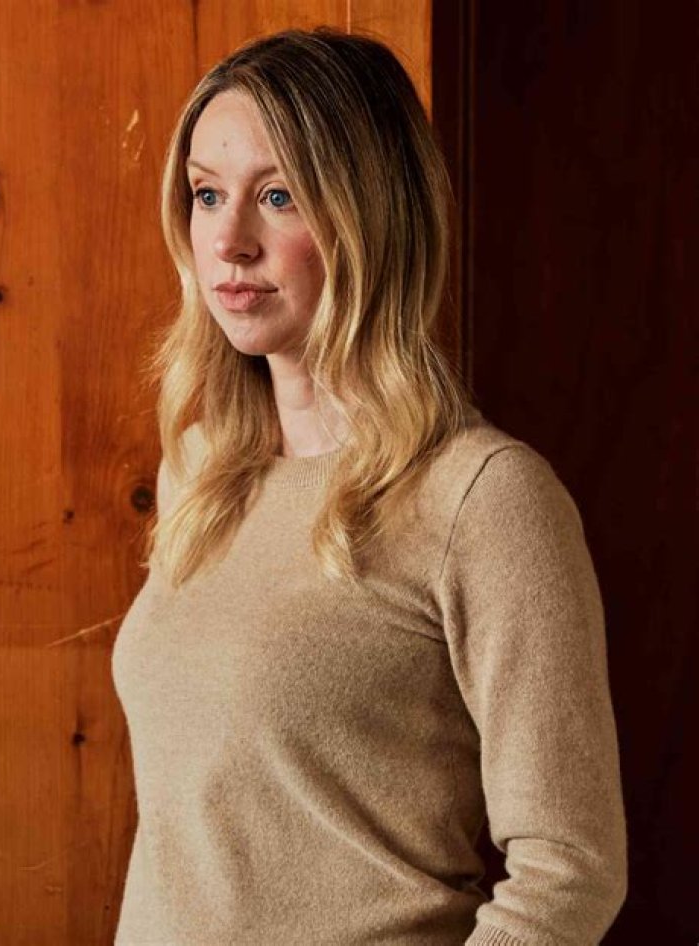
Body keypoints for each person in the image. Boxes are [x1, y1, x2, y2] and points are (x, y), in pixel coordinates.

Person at [111, 26, 627, 946]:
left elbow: (570, 868)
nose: (228, 241)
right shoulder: (200, 469)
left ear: (370, 217)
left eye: (278, 196)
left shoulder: (484, 499)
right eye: (206, 194)